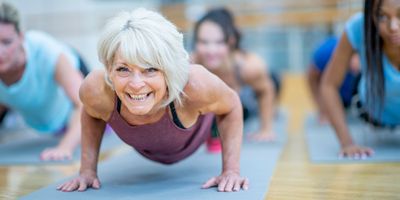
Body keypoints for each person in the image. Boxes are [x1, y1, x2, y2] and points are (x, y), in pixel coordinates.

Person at [57, 8, 249, 192]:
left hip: (197, 126)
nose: (136, 84)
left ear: (168, 70)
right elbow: (91, 113)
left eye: (150, 69)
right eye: (123, 69)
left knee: (211, 93)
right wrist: (87, 170)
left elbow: (232, 105)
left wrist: (231, 171)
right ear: (109, 69)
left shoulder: (196, 85)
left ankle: (212, 132)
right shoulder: (96, 89)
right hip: (151, 144)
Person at [0, 1, 87, 160]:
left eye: (6, 42)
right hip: (44, 120)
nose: (0, 52)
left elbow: (84, 104)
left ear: (21, 37)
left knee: (96, 112)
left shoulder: (46, 51)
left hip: (75, 85)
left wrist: (65, 148)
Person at [320, 0, 400, 158]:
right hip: (372, 112)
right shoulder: (359, 26)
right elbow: (328, 85)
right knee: (356, 74)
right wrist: (347, 143)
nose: (393, 27)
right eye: (382, 17)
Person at [192, 8, 280, 142]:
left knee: (272, 80)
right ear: (196, 42)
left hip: (251, 97)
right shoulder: (191, 64)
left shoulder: (250, 67)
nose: (211, 50)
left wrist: (266, 129)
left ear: (231, 41)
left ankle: (274, 108)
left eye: (219, 42)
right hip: (221, 103)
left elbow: (266, 90)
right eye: (204, 42)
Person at [308, 37, 360, 124]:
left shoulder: (372, 51)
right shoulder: (326, 52)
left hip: (356, 96)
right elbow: (312, 78)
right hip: (332, 94)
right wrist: (322, 107)